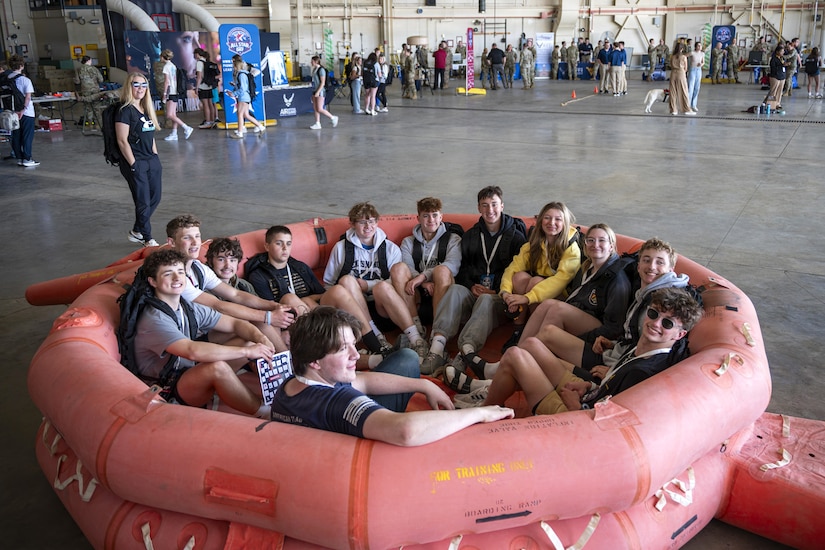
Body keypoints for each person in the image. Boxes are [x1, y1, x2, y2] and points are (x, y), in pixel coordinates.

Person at [269, 307, 514, 445]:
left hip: (333, 437)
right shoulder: (336, 401)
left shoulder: (292, 384)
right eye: (344, 349)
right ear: (315, 361)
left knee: (406, 359)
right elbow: (405, 431)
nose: (356, 356)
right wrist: (478, 414)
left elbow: (361, 381)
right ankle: (465, 407)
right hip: (368, 455)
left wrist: (423, 385)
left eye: (353, 345)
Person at [454, 288, 703, 411]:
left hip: (575, 416)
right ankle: (489, 390)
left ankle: (486, 409)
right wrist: (588, 386)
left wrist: (575, 402)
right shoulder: (649, 347)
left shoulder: (644, 372)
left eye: (667, 323)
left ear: (680, 334)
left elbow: (600, 425)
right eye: (653, 314)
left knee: (516, 355)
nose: (655, 323)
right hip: (592, 392)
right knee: (530, 344)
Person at [135, 249, 273, 417]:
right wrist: (247, 352)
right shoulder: (154, 318)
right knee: (217, 367)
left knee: (249, 341)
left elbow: (236, 324)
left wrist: (262, 339)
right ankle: (265, 413)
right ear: (153, 281)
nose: (177, 278)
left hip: (188, 372)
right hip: (167, 388)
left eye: (180, 272)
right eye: (168, 274)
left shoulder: (187, 307)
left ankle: (273, 384)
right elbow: (192, 351)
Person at [534, 238, 691, 381]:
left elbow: (648, 354)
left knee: (535, 353)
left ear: (671, 269)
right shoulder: (645, 292)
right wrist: (612, 343)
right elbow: (633, 337)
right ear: (638, 265)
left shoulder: (660, 304)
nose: (651, 267)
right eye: (646, 260)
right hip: (614, 351)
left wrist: (613, 371)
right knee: (546, 334)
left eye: (660, 262)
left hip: (614, 366)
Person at [433, 187, 527, 384]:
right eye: (484, 205)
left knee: (485, 299)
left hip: (500, 297)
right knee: (456, 289)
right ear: (478, 208)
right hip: (475, 292)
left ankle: (465, 353)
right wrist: (471, 284)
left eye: (494, 204)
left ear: (502, 205)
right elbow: (463, 268)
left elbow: (518, 271)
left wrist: (497, 290)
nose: (490, 210)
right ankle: (437, 348)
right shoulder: (471, 235)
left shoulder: (516, 237)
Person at [165, 214, 292, 351]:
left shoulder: (198, 267)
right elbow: (217, 306)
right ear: (172, 242)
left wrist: (274, 306)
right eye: (187, 238)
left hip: (205, 329)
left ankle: (289, 363)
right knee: (257, 324)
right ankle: (290, 365)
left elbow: (236, 294)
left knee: (257, 327)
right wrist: (268, 316)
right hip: (187, 340)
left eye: (197, 236)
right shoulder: (174, 276)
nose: (195, 243)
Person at [322, 202, 428, 361]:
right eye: (362, 222)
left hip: (384, 308)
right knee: (346, 280)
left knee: (383, 286)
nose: (368, 226)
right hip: (354, 311)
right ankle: (376, 338)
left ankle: (416, 340)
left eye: (371, 221)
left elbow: (397, 285)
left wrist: (367, 285)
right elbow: (329, 283)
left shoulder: (390, 248)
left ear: (377, 223)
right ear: (352, 224)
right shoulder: (341, 248)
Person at [390, 197, 463, 373]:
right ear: (418, 218)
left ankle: (437, 339)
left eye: (434, 215)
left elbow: (453, 264)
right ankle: (416, 333)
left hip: (442, 287)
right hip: (416, 292)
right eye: (426, 216)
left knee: (442, 271)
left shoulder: (453, 239)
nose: (430, 220)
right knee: (398, 268)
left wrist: (423, 277)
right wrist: (421, 283)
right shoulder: (408, 242)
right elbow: (407, 266)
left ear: (441, 217)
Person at [498, 202, 581, 352]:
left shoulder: (571, 248)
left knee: (535, 281)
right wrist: (505, 292)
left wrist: (527, 297)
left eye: (558, 219)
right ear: (541, 220)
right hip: (536, 295)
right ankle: (519, 329)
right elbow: (513, 267)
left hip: (562, 298)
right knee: (518, 277)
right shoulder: (536, 243)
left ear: (565, 222)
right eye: (547, 218)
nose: (552, 223)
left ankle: (537, 335)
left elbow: (559, 282)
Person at [117, 72, 162, 246]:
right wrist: (133, 164)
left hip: (151, 160)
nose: (140, 88)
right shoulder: (125, 111)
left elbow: (150, 136)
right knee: (142, 201)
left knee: (155, 197)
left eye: (143, 85)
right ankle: (147, 237)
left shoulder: (147, 108)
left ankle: (137, 230)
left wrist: (155, 156)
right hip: (136, 161)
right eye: (136, 84)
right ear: (129, 87)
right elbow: (122, 140)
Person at [6, 55, 38, 167]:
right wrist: (23, 110)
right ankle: (27, 159)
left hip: (11, 112)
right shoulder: (25, 80)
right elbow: (28, 97)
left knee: (16, 135)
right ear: (21, 66)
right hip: (26, 112)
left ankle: (19, 158)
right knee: (27, 136)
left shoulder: (6, 79)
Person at [226, 55, 265, 138]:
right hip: (245, 97)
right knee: (246, 115)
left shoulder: (241, 75)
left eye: (234, 66)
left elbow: (243, 89)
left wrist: (233, 94)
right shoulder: (244, 74)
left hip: (243, 97)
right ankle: (261, 127)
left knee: (240, 114)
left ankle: (240, 133)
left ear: (236, 66)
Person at [159, 49, 194, 141]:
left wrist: (164, 93)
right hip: (176, 91)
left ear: (163, 57)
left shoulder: (166, 67)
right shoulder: (173, 66)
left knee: (170, 115)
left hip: (171, 92)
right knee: (173, 114)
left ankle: (186, 128)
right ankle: (174, 134)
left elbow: (166, 81)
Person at [309, 55, 338, 129]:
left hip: (321, 91)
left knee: (319, 108)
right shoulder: (314, 69)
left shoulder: (321, 70)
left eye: (312, 61)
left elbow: (322, 82)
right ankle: (317, 123)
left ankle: (333, 117)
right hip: (314, 90)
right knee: (315, 108)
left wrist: (318, 92)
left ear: (316, 61)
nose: (311, 62)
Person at [194, 48, 218, 129]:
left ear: (197, 54)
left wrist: (197, 87)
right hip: (209, 85)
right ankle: (212, 120)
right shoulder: (207, 62)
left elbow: (199, 76)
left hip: (202, 86)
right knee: (210, 103)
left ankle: (207, 121)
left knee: (205, 104)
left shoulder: (199, 63)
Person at [668, 44, 695, 115]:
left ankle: (673, 110)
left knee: (673, 92)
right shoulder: (683, 57)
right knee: (684, 91)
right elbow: (686, 68)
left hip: (673, 73)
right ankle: (686, 109)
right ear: (682, 49)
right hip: (681, 73)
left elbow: (670, 65)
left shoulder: (672, 57)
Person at [768, 44, 788, 111]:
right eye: (781, 51)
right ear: (777, 52)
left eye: (783, 51)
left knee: (780, 91)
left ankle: (777, 104)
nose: (783, 53)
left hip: (782, 76)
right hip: (775, 76)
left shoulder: (782, 58)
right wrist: (781, 65)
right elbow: (773, 68)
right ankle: (770, 104)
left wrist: (785, 65)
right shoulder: (773, 59)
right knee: (773, 91)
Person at [687, 42, 705, 112]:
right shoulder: (692, 53)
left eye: (700, 46)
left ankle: (694, 105)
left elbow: (703, 62)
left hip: (699, 70)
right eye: (698, 46)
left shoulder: (702, 54)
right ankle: (688, 105)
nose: (699, 47)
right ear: (695, 46)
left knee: (697, 88)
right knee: (690, 87)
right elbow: (684, 56)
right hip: (692, 69)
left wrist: (701, 64)